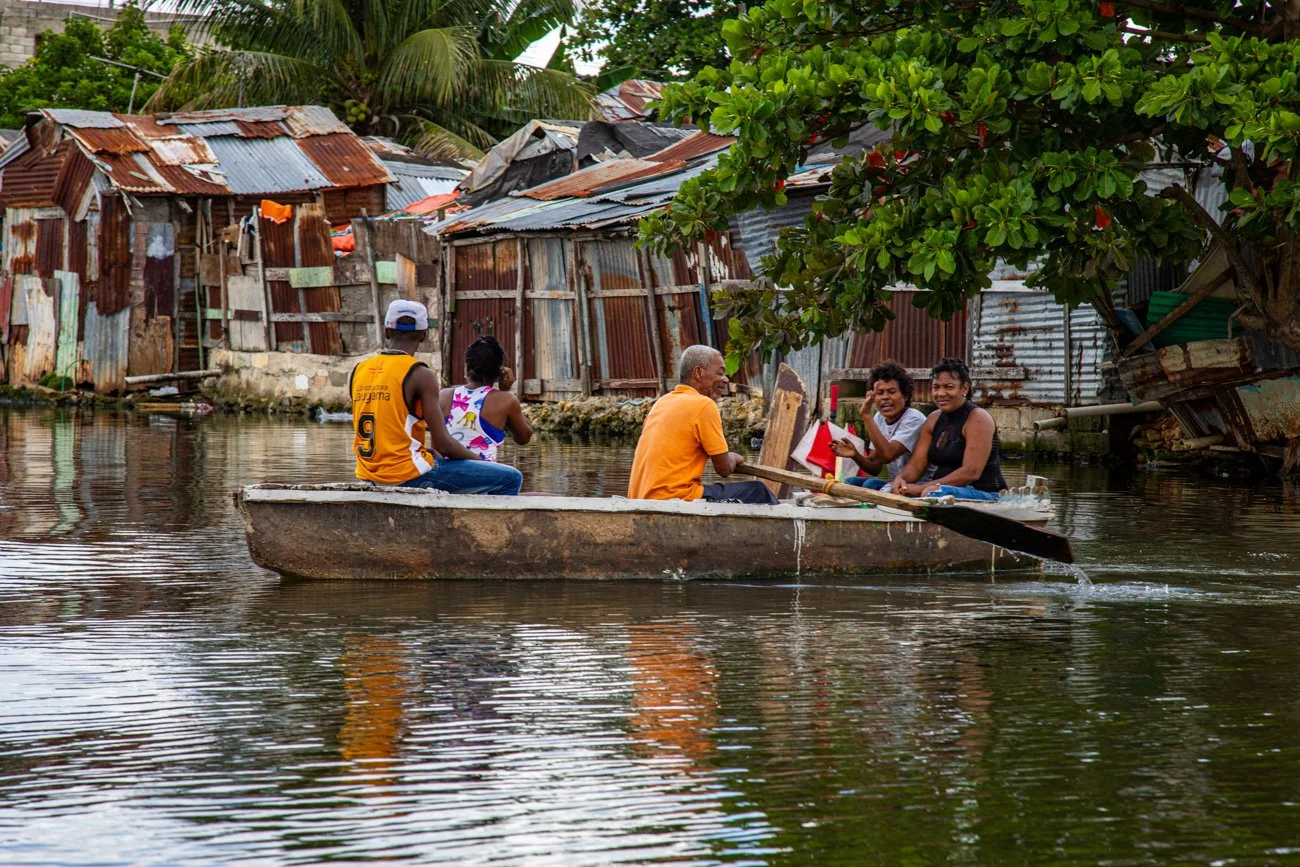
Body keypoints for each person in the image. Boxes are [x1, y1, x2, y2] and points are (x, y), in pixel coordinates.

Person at [349, 300, 522, 495]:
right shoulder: (420, 374)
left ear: (387, 331)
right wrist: (484, 466)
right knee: (510, 477)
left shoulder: (359, 370)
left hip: (367, 474)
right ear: (424, 336)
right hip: (408, 475)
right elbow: (444, 444)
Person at [628, 344, 778, 505]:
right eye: (720, 373)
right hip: (673, 498)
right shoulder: (704, 405)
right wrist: (732, 457)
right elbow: (724, 469)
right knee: (758, 491)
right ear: (698, 373)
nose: (726, 379)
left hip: (639, 498)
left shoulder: (662, 402)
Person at [890, 357, 1007, 502]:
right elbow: (916, 464)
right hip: (940, 489)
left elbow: (971, 472)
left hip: (987, 494)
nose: (940, 393)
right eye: (936, 387)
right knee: (880, 486)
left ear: (964, 389)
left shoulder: (978, 418)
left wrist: (921, 488)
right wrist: (901, 480)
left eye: (949, 387)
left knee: (934, 493)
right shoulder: (933, 419)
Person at [830, 360, 927, 491]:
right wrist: (855, 455)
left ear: (905, 395)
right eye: (880, 393)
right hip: (895, 483)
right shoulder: (879, 418)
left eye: (892, 392)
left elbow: (888, 455)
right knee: (849, 482)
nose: (885, 397)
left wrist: (866, 415)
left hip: (917, 486)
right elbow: (875, 467)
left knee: (870, 485)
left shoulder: (914, 419)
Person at [438, 335, 533, 462]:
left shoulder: (443, 395)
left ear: (466, 366)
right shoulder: (506, 400)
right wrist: (507, 392)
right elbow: (524, 437)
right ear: (499, 371)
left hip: (446, 476)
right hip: (485, 476)